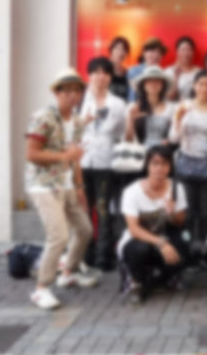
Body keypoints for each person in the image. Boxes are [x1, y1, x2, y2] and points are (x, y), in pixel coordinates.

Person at [25, 69, 98, 310]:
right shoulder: (43, 117)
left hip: (66, 183)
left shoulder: (76, 121)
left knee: (85, 230)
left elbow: (75, 157)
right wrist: (63, 156)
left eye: (76, 90)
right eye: (66, 90)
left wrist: (80, 186)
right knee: (59, 236)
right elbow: (31, 154)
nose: (72, 95)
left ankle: (68, 273)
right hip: (43, 184)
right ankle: (41, 288)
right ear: (56, 93)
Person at [118, 145, 188, 303]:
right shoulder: (132, 192)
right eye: (155, 163)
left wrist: (172, 213)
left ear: (170, 166)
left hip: (164, 235)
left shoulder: (176, 188)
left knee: (183, 247)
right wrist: (162, 243)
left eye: (164, 164)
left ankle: (166, 276)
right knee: (140, 249)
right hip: (137, 240)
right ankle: (135, 281)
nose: (159, 168)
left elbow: (181, 222)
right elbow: (133, 229)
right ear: (147, 165)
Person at [79, 57, 126, 270]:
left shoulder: (118, 104)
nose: (100, 76)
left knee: (103, 209)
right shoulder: (80, 101)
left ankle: (103, 256)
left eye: (105, 72)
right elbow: (70, 130)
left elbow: (121, 134)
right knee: (83, 210)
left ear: (110, 77)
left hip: (106, 162)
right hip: (81, 161)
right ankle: (85, 254)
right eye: (96, 72)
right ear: (89, 75)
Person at [169, 70, 207, 263]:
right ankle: (188, 252)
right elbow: (174, 138)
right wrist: (178, 119)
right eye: (200, 84)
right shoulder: (184, 106)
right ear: (194, 86)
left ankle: (206, 251)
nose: (204, 88)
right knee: (188, 212)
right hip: (185, 163)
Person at [124, 66, 176, 149]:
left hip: (162, 152)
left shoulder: (171, 108)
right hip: (138, 152)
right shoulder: (133, 107)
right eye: (149, 81)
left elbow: (174, 136)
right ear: (143, 85)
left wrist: (168, 141)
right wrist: (131, 119)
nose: (153, 84)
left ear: (163, 85)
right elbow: (128, 139)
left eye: (157, 81)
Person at [165, 36, 201, 101]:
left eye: (189, 50)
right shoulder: (169, 71)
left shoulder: (199, 72)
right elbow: (168, 97)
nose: (186, 53)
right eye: (183, 50)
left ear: (193, 52)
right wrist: (176, 78)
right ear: (177, 52)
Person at [108, 36, 131, 101]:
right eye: (118, 49)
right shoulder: (104, 69)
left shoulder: (126, 73)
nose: (121, 52)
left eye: (124, 50)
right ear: (111, 50)